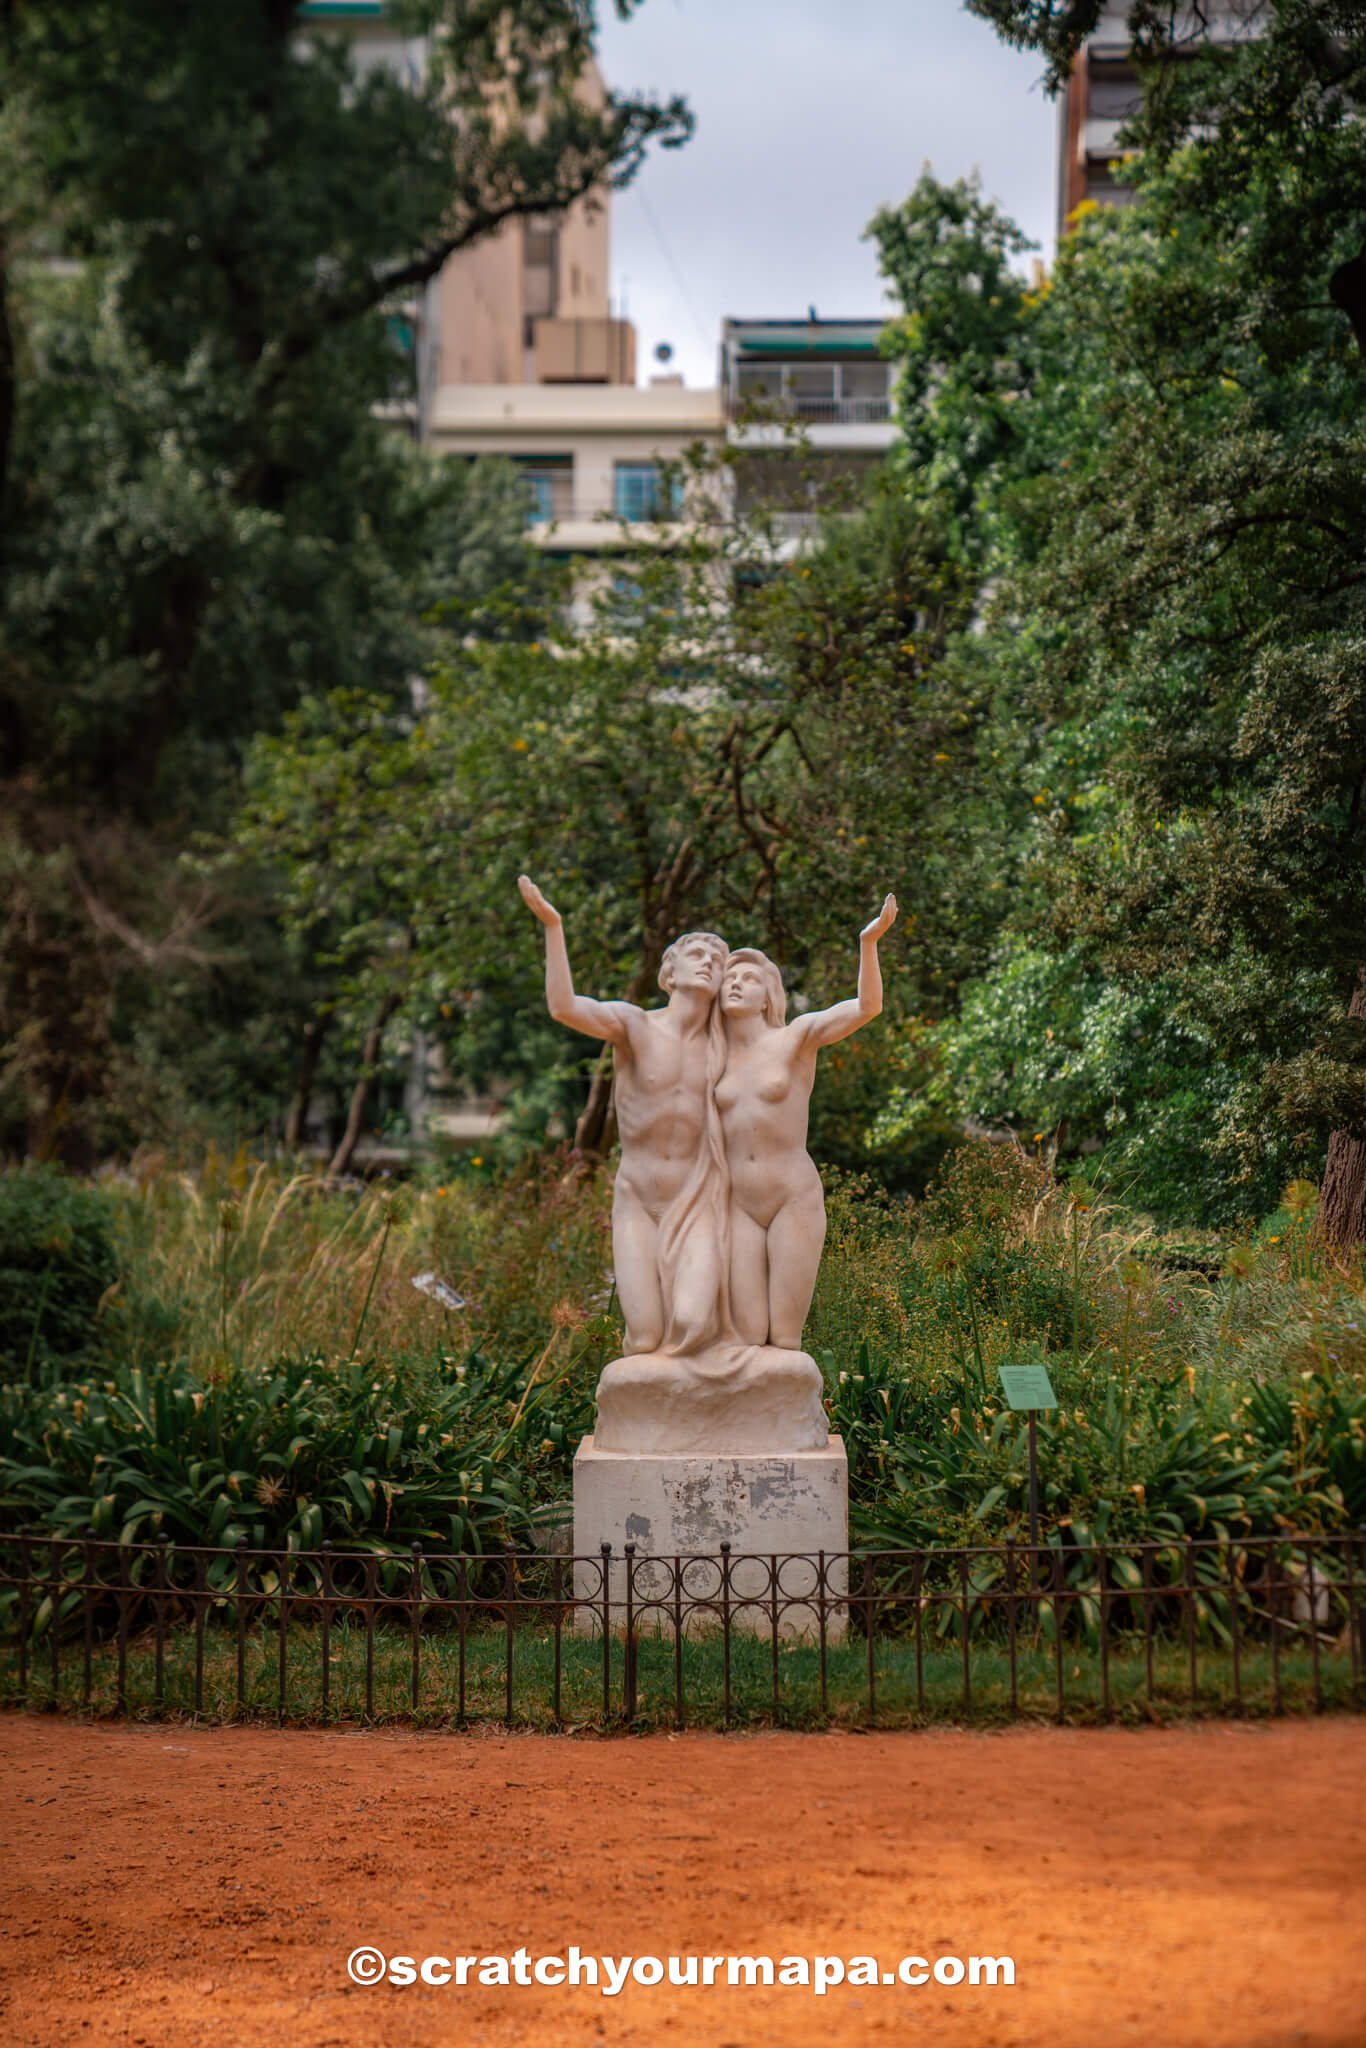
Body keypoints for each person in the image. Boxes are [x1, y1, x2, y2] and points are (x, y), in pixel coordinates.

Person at [517, 875, 729, 1357]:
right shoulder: (634, 1025)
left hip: (697, 1199)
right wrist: (553, 925)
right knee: (647, 1337)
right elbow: (564, 1007)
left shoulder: (727, 1047)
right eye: (696, 954)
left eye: (717, 960)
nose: (709, 962)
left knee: (693, 1322)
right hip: (638, 1198)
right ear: (669, 973)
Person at [715, 894, 898, 1351]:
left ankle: (788, 1420)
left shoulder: (796, 1037)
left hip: (790, 1196)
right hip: (736, 1204)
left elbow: (865, 1007)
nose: (736, 984)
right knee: (747, 1335)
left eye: (749, 978)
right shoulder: (710, 1058)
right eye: (729, 978)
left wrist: (868, 942)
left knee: (784, 1339)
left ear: (767, 997)